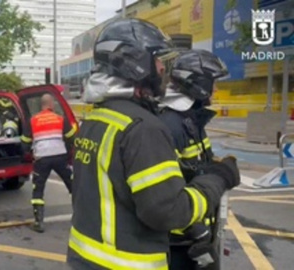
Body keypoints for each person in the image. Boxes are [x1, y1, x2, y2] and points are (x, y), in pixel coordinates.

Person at [66, 19, 241, 270]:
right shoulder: (143, 128)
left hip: (84, 260)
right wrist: (217, 180)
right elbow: (168, 211)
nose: (163, 68)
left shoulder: (96, 118)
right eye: (158, 60)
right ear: (135, 63)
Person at [159, 49, 229, 270]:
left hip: (196, 236)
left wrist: (220, 172)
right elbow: (168, 187)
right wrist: (197, 230)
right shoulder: (171, 124)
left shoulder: (190, 119)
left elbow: (197, 168)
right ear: (198, 83)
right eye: (213, 83)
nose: (216, 89)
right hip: (180, 242)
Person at [20, 94, 76, 233]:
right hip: (60, 156)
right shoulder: (60, 119)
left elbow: (25, 141)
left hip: (42, 158)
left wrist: (28, 154)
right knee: (73, 186)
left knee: (38, 189)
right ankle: (81, 217)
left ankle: (39, 222)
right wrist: (69, 156)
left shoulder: (33, 120)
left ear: (41, 105)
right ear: (51, 104)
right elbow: (71, 138)